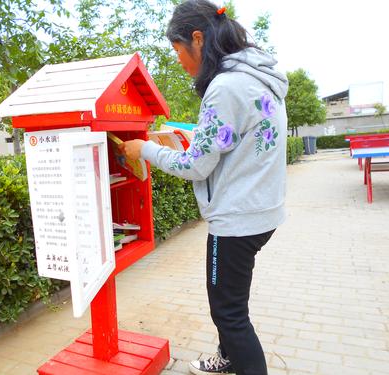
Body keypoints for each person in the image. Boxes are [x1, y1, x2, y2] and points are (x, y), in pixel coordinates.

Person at [119, 1, 288, 374]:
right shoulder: (256, 77)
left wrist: (144, 149)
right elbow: (233, 139)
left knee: (229, 314)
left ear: (198, 38)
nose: (179, 60)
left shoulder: (224, 87)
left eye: (178, 50)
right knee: (230, 306)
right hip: (262, 209)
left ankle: (241, 362)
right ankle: (227, 360)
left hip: (236, 220)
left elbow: (197, 165)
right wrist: (192, 136)